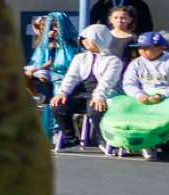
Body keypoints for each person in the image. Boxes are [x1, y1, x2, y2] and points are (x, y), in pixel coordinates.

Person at [104, 31, 169, 161]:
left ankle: (166, 145)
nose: (142, 51)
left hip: (167, 97)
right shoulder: (136, 63)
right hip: (142, 96)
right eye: (140, 48)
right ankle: (139, 142)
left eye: (147, 48)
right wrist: (139, 95)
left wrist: (162, 95)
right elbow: (129, 83)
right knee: (123, 107)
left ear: (160, 48)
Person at [48, 23, 124, 151]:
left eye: (90, 40)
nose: (85, 42)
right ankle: (70, 138)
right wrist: (62, 92)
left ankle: (105, 139)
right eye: (84, 39)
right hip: (81, 92)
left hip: (104, 93)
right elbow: (71, 77)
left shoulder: (114, 61)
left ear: (100, 40)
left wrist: (99, 96)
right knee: (58, 106)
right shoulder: (79, 58)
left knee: (95, 110)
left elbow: (107, 82)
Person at [23, 12, 76, 104]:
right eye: (51, 27)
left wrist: (34, 70)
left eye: (56, 26)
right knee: (24, 75)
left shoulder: (69, 45)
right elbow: (42, 61)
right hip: (48, 71)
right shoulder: (47, 43)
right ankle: (37, 97)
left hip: (62, 74)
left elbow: (50, 63)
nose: (54, 30)